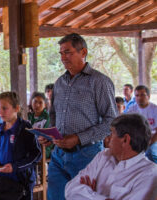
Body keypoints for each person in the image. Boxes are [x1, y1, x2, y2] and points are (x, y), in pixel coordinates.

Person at [38, 33, 117, 200]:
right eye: (61, 53)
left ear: (83, 52)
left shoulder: (99, 82)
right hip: (59, 154)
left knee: (84, 197)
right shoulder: (60, 83)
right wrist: (49, 134)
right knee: (55, 196)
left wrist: (79, 138)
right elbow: (54, 116)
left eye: (68, 52)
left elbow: (111, 121)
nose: (63, 57)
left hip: (87, 154)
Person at [65, 114, 157, 200]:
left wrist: (88, 194)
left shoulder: (149, 173)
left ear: (125, 140)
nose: (107, 139)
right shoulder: (103, 156)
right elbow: (70, 190)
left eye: (111, 134)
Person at [0, 91, 41, 200]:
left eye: (4, 108)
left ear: (16, 108)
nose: (0, 112)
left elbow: (36, 155)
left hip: (21, 182)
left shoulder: (25, 128)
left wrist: (15, 167)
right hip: (1, 182)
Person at [127, 85, 157, 163]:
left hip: (153, 138)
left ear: (148, 96)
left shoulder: (155, 109)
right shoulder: (131, 109)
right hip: (137, 138)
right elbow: (127, 127)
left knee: (151, 153)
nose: (139, 98)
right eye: (137, 95)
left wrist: (149, 142)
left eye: (142, 95)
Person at [28, 92, 53, 159]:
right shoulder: (28, 116)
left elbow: (44, 137)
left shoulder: (47, 118)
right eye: (35, 101)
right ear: (31, 102)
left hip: (44, 148)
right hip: (29, 146)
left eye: (40, 103)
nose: (37, 105)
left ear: (45, 105)